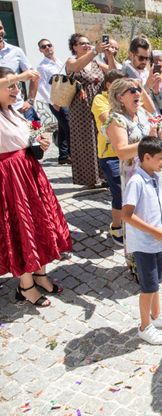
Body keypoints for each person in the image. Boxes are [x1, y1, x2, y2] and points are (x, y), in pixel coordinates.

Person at [0, 67, 71, 306]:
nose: (14, 89)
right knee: (21, 228)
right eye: (9, 85)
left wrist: (40, 141)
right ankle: (25, 285)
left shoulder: (14, 111)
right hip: (10, 179)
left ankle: (40, 274)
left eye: (15, 86)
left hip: (29, 172)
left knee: (40, 224)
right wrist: (21, 76)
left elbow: (29, 137)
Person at [104, 78, 162, 281]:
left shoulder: (142, 114)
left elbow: (152, 141)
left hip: (156, 173)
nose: (137, 93)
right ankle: (141, 266)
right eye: (132, 90)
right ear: (120, 97)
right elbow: (122, 152)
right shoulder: (116, 119)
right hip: (136, 176)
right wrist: (151, 141)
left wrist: (161, 135)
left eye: (138, 89)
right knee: (142, 219)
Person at [122, 136, 162, 345]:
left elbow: (153, 208)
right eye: (160, 159)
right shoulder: (136, 181)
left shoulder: (155, 177)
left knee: (156, 282)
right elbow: (127, 215)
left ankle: (157, 316)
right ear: (146, 157)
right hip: (145, 244)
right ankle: (144, 326)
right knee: (148, 287)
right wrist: (153, 231)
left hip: (157, 241)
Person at [65, 33, 113, 186]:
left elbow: (113, 73)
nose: (86, 45)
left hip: (99, 106)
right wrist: (95, 51)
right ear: (74, 47)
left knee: (102, 137)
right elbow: (77, 67)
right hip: (81, 108)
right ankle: (89, 179)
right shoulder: (71, 61)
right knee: (86, 141)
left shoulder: (96, 63)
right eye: (82, 43)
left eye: (88, 43)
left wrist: (110, 56)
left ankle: (104, 175)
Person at [91, 69, 127, 245]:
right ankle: (116, 225)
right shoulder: (100, 99)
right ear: (109, 85)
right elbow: (108, 119)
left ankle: (130, 221)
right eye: (120, 85)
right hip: (110, 155)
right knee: (119, 190)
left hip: (129, 152)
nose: (125, 88)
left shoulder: (126, 100)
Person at [36, 38, 70, 165]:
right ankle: (74, 155)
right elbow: (41, 87)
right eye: (44, 47)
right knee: (69, 127)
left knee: (62, 127)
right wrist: (52, 102)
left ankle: (63, 155)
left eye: (49, 45)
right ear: (40, 50)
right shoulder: (42, 67)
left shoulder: (59, 62)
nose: (47, 48)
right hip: (56, 101)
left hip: (66, 98)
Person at [0, 20, 39, 121]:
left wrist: (30, 101)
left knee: (31, 136)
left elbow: (34, 75)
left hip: (19, 108)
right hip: (2, 114)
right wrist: (19, 77)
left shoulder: (16, 51)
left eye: (0, 28)